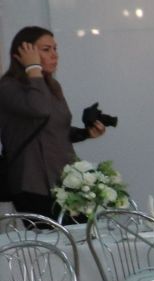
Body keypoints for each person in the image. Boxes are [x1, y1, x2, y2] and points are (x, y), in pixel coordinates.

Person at [0, 27, 106, 217]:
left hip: (65, 179)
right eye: (46, 50)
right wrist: (33, 68)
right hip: (33, 184)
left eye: (55, 49)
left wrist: (86, 133)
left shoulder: (51, 86)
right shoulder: (8, 87)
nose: (54, 55)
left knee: (80, 237)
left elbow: (55, 129)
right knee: (54, 242)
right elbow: (39, 109)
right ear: (24, 53)